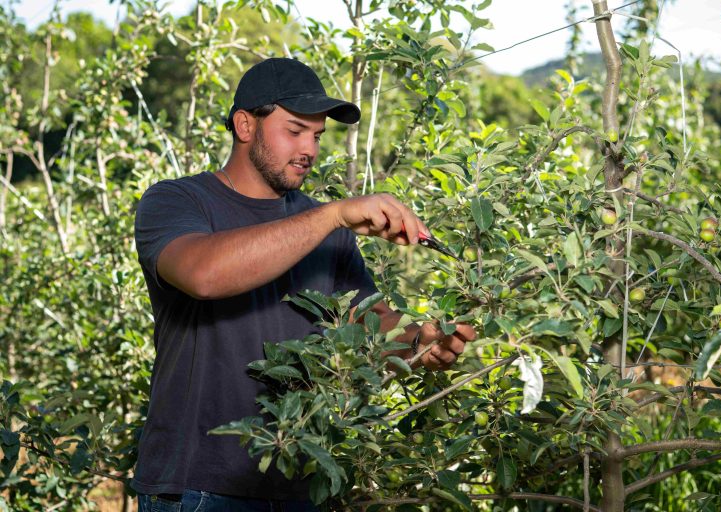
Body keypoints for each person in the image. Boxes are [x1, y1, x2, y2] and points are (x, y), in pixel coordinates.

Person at [132, 57, 476, 511]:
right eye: (294, 131)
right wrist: (335, 214)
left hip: (299, 483)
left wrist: (419, 343)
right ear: (244, 125)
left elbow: (371, 324)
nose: (309, 149)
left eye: (316, 136)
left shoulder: (326, 230)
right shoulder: (176, 200)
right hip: (197, 486)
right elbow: (204, 275)